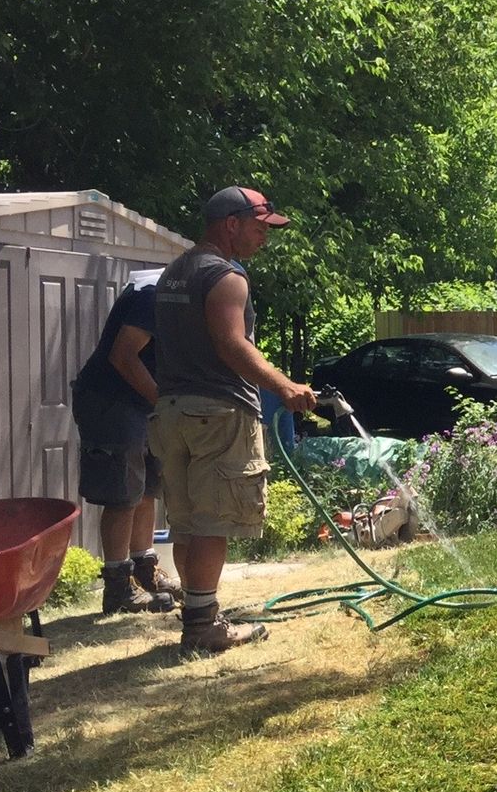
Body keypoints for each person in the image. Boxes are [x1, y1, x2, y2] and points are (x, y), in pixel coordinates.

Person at [149, 186, 316, 655]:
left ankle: (198, 615)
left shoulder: (174, 272)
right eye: (259, 227)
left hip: (172, 412)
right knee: (214, 522)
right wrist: (285, 386)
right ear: (231, 223)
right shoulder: (226, 276)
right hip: (217, 413)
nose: (264, 236)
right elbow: (231, 343)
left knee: (186, 523)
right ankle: (202, 630)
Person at [70, 268, 184, 615]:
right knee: (123, 494)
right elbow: (123, 357)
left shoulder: (175, 296)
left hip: (141, 403)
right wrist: (162, 402)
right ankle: (118, 587)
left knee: (147, 487)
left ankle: (145, 572)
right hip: (110, 401)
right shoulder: (152, 296)